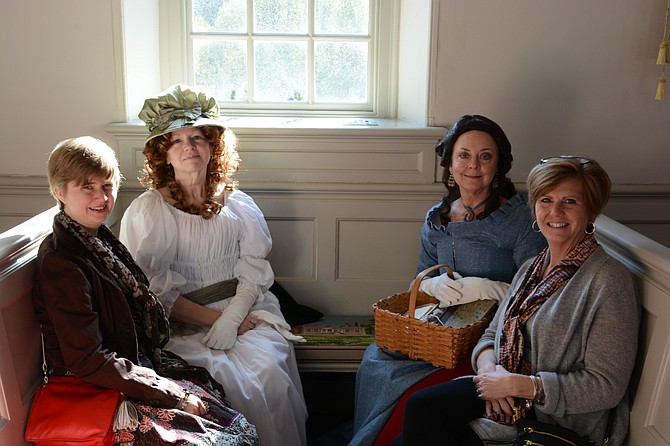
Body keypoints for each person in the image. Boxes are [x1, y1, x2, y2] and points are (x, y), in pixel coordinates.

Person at [391, 156, 639, 445]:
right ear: (534, 208)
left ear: (591, 211)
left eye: (569, 202)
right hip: (504, 384)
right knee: (421, 408)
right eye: (545, 200)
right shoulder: (531, 267)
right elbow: (491, 335)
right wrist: (491, 375)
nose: (555, 211)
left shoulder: (610, 282)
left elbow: (606, 386)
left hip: (552, 418)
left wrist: (520, 386)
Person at [34, 136, 258, 445]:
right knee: (222, 439)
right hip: (94, 386)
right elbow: (87, 359)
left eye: (107, 186)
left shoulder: (97, 239)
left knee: (227, 413)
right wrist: (171, 394)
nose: (101, 198)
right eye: (88, 187)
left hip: (125, 368)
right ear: (59, 191)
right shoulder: (63, 261)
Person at [119, 85, 308, 446]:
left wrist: (234, 317)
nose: (189, 147)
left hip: (244, 308)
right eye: (177, 141)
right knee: (219, 377)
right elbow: (153, 290)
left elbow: (253, 269)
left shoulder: (238, 204)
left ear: (213, 147)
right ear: (165, 155)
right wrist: (216, 322)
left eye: (198, 137)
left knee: (267, 373)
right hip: (182, 322)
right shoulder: (150, 211)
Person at [351, 115, 547, 445]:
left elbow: (536, 291)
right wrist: (433, 285)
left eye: (486, 156)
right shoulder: (436, 217)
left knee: (417, 389)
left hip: (491, 338)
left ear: (498, 164)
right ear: (450, 163)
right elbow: (420, 278)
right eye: (464, 155)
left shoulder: (519, 218)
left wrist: (488, 289)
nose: (474, 165)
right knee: (376, 357)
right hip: (442, 332)